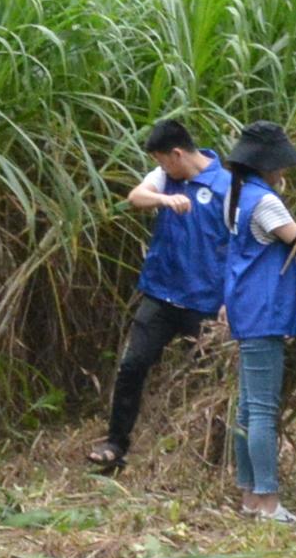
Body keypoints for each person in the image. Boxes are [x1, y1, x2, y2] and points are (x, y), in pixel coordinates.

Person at [90, 118, 229, 473]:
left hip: (206, 301)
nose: (162, 168)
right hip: (161, 294)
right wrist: (164, 200)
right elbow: (136, 197)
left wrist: (230, 299)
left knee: (213, 377)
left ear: (178, 154)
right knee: (132, 365)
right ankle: (116, 444)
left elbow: (238, 246)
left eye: (164, 161)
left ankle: (212, 455)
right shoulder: (165, 179)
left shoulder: (228, 186)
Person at [220, 121, 296, 522]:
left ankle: (248, 496)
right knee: (262, 409)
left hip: (245, 305)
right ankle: (268, 501)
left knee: (246, 409)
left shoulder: (236, 196)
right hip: (265, 310)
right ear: (268, 164)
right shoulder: (267, 202)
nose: (284, 171)